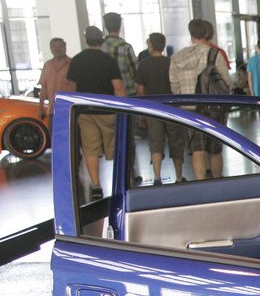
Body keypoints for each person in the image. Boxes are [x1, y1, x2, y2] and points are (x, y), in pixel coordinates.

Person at [66, 26, 124, 200]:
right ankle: (123, 181)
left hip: (85, 111)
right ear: (101, 40)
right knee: (117, 146)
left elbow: (71, 87)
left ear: (86, 40)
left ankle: (97, 186)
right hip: (107, 110)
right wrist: (124, 107)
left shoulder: (77, 60)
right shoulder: (108, 61)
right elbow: (118, 87)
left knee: (90, 149)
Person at [170, 18, 232, 181]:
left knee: (197, 149)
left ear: (191, 34)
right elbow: (227, 81)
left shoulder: (177, 57)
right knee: (214, 149)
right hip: (212, 107)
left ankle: (201, 183)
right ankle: (217, 181)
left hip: (189, 108)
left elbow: (174, 85)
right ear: (207, 33)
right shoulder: (214, 54)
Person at [135, 32, 186, 184]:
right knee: (176, 142)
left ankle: (157, 178)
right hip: (172, 109)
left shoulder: (143, 65)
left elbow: (140, 90)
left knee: (155, 144)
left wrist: (142, 113)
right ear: (163, 46)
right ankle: (178, 177)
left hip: (153, 109)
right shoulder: (171, 63)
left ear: (150, 45)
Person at [37, 37, 76, 126]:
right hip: (53, 111)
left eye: (60, 46)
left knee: (71, 134)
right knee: (54, 134)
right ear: (50, 48)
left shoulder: (73, 64)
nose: (57, 49)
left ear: (65, 46)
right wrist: (40, 108)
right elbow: (44, 88)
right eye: (54, 46)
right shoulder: (47, 65)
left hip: (70, 110)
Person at [102, 12, 137, 97]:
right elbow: (135, 72)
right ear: (120, 25)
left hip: (107, 94)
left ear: (105, 26)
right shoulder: (126, 47)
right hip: (127, 94)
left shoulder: (101, 47)